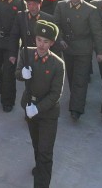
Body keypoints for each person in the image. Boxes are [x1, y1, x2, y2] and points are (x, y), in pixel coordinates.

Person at [16, 20, 65, 188]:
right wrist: (22, 74)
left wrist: (37, 108)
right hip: (29, 107)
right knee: (37, 145)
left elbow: (55, 94)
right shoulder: (26, 53)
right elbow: (17, 73)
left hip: (48, 114)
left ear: (52, 43)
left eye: (46, 41)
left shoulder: (58, 64)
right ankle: (39, 169)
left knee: (45, 153)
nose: (41, 45)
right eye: (38, 40)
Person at [52, 0, 102, 121]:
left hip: (83, 49)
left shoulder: (90, 10)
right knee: (72, 76)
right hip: (67, 48)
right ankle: (77, 98)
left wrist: (100, 52)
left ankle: (76, 109)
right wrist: (60, 39)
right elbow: (56, 24)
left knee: (80, 79)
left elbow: (97, 32)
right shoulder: (61, 6)